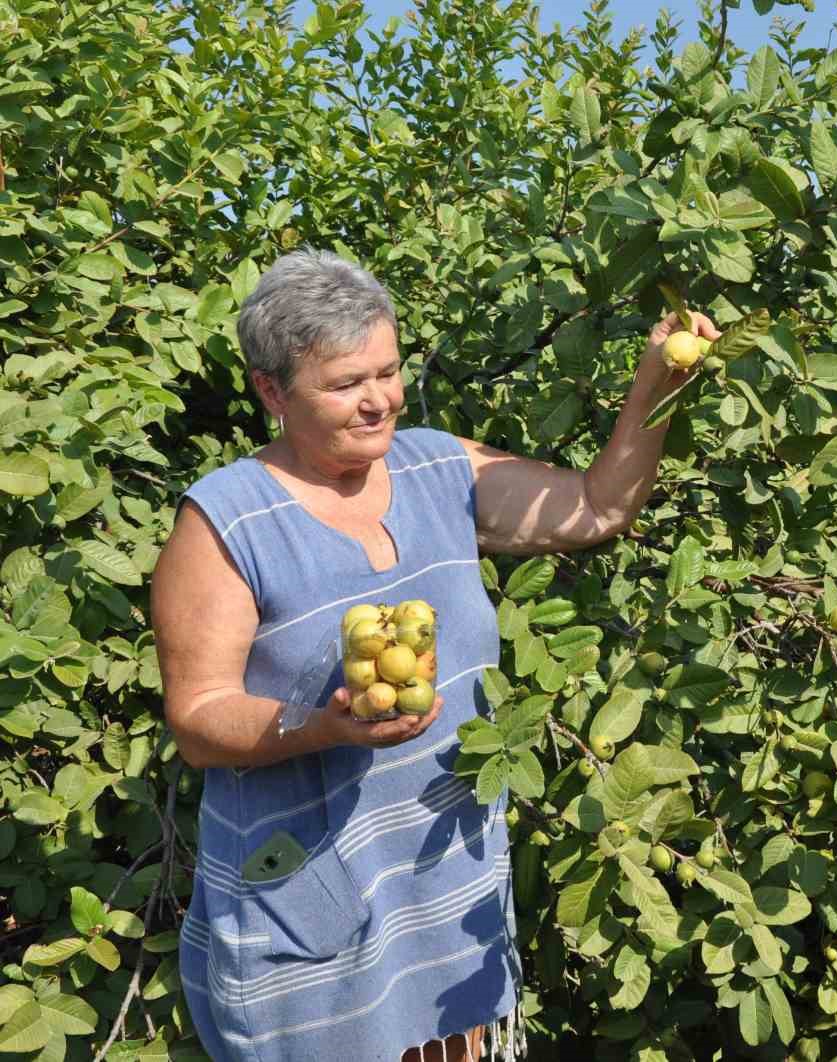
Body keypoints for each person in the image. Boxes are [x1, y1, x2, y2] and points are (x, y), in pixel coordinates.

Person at [152, 249, 715, 1062]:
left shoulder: (436, 468)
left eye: (387, 371)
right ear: (271, 391)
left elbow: (594, 507)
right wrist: (321, 728)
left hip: (444, 888)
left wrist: (658, 385)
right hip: (310, 909)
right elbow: (200, 720)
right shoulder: (226, 522)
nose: (378, 400)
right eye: (345, 385)